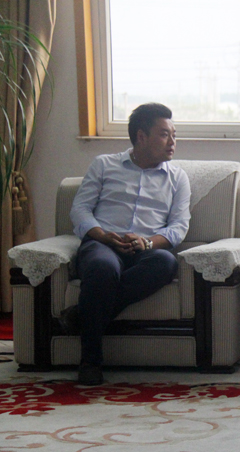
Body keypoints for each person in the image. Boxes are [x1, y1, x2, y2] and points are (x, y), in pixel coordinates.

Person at [63, 103, 191, 385]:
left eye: (174, 135)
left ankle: (81, 316)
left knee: (166, 262)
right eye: (164, 135)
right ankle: (91, 363)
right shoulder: (104, 165)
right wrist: (102, 235)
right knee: (103, 268)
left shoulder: (177, 178)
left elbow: (179, 227)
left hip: (145, 250)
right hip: (103, 244)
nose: (172, 142)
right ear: (141, 136)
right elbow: (80, 209)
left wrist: (147, 242)